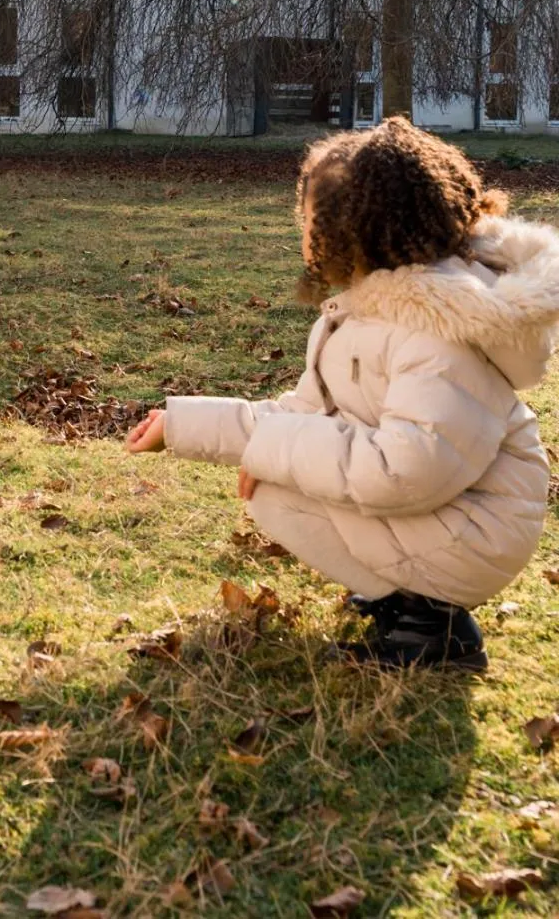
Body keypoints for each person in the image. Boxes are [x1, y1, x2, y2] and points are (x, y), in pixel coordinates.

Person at [126, 117, 559, 670]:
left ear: (358, 229)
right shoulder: (374, 308)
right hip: (459, 511)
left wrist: (272, 451)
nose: (303, 233)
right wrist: (185, 425)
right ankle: (407, 603)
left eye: (311, 218)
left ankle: (433, 628)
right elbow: (307, 412)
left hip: (478, 530)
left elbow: (407, 472)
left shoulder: (437, 331)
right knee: (272, 482)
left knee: (277, 484)